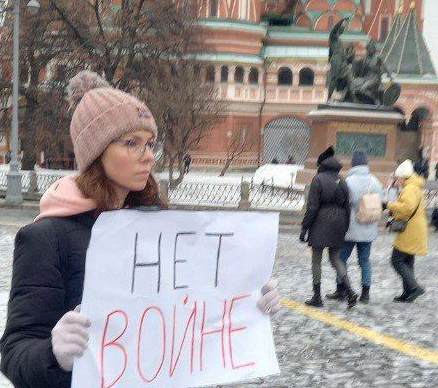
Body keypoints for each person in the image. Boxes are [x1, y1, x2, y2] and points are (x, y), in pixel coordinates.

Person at [0, 71, 281, 388]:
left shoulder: (162, 230)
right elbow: (14, 354)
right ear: (97, 152)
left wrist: (247, 298)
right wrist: (55, 354)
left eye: (149, 144)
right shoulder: (45, 238)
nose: (147, 156)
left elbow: (194, 315)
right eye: (131, 143)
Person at [300, 146, 358, 309]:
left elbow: (312, 207)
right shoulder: (343, 181)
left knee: (316, 260)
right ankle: (350, 291)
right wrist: (345, 225)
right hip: (339, 222)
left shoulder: (318, 180)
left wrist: (305, 227)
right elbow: (348, 206)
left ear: (322, 166)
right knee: (336, 259)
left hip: (320, 221)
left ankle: (317, 296)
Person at [326, 151, 383, 304]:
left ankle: (341, 289)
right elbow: (381, 203)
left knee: (342, 259)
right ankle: (365, 293)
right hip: (368, 229)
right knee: (364, 260)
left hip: (350, 229)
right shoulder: (375, 181)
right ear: (366, 164)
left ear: (352, 164)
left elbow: (340, 201)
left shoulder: (348, 181)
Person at [386, 159, 428, 303]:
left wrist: (390, 205)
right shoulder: (413, 185)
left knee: (396, 260)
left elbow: (408, 207)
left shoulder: (409, 188)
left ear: (403, 176)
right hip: (415, 228)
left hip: (411, 229)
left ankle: (414, 287)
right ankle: (408, 292)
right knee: (408, 261)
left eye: (397, 177)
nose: (396, 180)